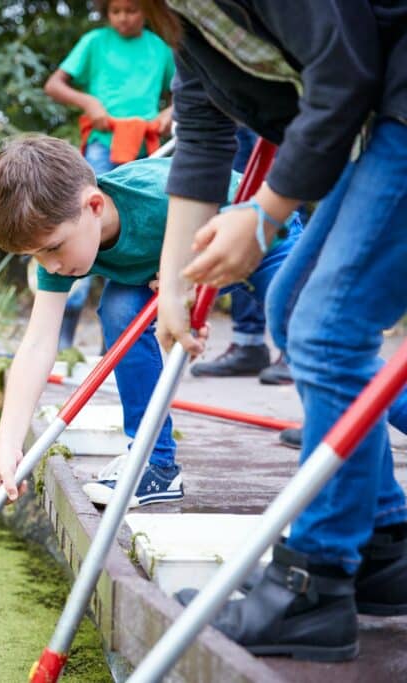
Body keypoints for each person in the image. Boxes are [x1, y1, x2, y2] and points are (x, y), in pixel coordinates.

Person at [145, 0, 407, 662]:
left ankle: (312, 584)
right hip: (383, 120)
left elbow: (343, 71)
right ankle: (382, 542)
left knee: (326, 328)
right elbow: (202, 131)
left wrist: (262, 217)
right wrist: (174, 283)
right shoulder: (183, 14)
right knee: (296, 309)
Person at [0, 134, 301, 508]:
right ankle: (154, 463)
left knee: (306, 334)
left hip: (259, 236)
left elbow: (231, 216)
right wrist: (7, 443)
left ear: (95, 206)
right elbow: (37, 344)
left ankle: (353, 425)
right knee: (119, 310)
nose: (49, 266)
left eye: (52, 248)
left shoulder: (157, 198)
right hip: (164, 272)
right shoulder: (60, 242)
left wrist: (186, 281)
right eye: (34, 255)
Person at [43, 0, 175, 350]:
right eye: (116, 11)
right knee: (81, 229)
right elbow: (55, 85)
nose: (123, 18)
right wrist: (90, 104)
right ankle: (62, 339)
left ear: (146, 11)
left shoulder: (159, 48)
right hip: (103, 144)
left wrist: (169, 113)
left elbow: (189, 90)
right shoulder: (95, 42)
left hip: (146, 151)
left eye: (131, 10)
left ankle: (114, 340)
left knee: (136, 236)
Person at [188, 126, 293, 383]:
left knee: (266, 214)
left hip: (274, 103)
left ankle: (298, 348)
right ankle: (249, 343)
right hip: (236, 111)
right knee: (237, 193)